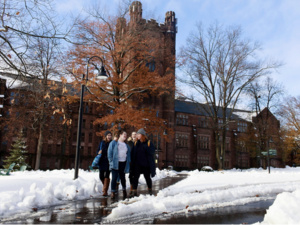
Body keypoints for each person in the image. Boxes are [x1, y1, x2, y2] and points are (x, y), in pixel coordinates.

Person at [130, 128, 156, 197]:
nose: (137, 135)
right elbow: (132, 153)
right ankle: (134, 191)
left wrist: (146, 148)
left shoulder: (148, 142)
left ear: (143, 135)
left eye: (139, 134)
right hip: (137, 164)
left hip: (146, 164)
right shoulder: (136, 143)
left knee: (147, 177)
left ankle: (150, 190)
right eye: (137, 134)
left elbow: (152, 151)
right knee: (135, 178)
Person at [108, 130, 131, 199]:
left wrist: (128, 162)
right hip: (115, 163)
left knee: (123, 178)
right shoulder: (114, 143)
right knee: (114, 178)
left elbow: (128, 155)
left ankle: (124, 190)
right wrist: (111, 161)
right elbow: (109, 153)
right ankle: (113, 192)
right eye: (124, 134)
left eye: (126, 135)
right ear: (120, 135)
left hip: (123, 163)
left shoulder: (126, 145)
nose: (125, 136)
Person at [97, 130, 112, 196]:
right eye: (108, 135)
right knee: (101, 176)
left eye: (110, 135)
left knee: (107, 175)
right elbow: (97, 150)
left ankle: (105, 191)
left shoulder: (112, 143)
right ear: (106, 136)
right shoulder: (102, 142)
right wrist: (98, 152)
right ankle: (105, 186)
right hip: (102, 161)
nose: (109, 136)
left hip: (108, 161)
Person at [127, 131, 137, 196]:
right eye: (133, 134)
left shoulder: (138, 142)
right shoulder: (129, 143)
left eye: (135, 134)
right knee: (131, 175)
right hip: (130, 161)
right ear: (131, 135)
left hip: (137, 161)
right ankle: (131, 187)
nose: (134, 135)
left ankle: (135, 189)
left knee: (136, 175)